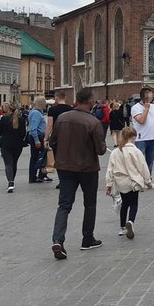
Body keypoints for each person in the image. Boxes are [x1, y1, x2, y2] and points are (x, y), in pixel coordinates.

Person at [49, 88, 108, 259]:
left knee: (64, 205)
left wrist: (62, 155)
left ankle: (57, 240)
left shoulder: (62, 118)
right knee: (89, 204)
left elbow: (53, 141)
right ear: (90, 101)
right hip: (87, 168)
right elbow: (101, 149)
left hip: (65, 167)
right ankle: (87, 239)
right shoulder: (93, 122)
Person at [105, 126, 152, 240]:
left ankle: (122, 227)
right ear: (134, 137)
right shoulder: (135, 151)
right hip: (133, 181)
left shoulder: (115, 152)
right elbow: (143, 167)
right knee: (134, 203)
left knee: (124, 204)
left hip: (121, 182)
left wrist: (109, 185)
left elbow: (110, 169)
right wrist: (148, 181)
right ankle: (130, 221)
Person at [130, 88, 154, 186]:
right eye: (149, 96)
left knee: (150, 161)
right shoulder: (135, 108)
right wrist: (146, 109)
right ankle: (139, 181)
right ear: (144, 97)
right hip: (140, 139)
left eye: (151, 95)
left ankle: (148, 181)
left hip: (152, 138)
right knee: (139, 162)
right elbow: (141, 120)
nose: (151, 98)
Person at [0, 102, 26, 193]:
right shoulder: (21, 120)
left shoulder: (4, 119)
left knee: (8, 163)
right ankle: (12, 180)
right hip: (17, 145)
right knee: (14, 163)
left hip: (6, 144)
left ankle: (10, 182)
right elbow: (23, 133)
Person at [27, 96, 50, 183]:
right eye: (44, 102)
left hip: (37, 136)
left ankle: (41, 174)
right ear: (41, 103)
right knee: (38, 157)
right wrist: (36, 140)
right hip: (37, 137)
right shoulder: (36, 113)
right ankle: (36, 176)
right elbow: (33, 128)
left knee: (40, 156)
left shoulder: (36, 112)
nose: (46, 104)